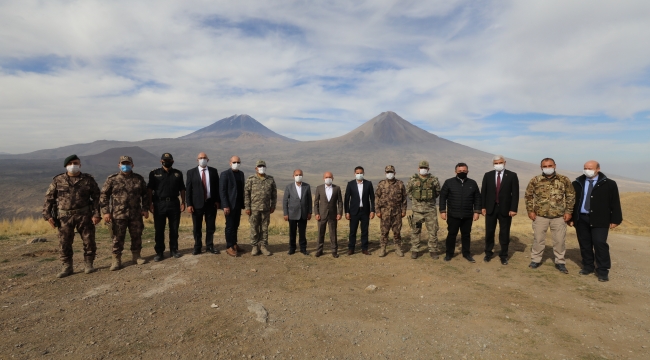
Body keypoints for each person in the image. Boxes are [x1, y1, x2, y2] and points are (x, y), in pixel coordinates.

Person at [42, 155, 101, 278]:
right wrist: (47, 216)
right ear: (66, 166)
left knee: (89, 240)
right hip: (64, 217)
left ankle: (89, 264)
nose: (73, 165)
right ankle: (67, 267)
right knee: (64, 242)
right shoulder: (58, 180)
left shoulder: (88, 180)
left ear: (80, 165)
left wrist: (96, 214)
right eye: (70, 163)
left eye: (76, 163)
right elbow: (49, 198)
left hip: (84, 215)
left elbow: (96, 197)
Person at [569, 160, 622, 282]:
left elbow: (615, 202)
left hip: (600, 219)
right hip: (581, 218)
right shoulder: (577, 183)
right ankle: (588, 266)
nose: (587, 170)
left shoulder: (609, 184)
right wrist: (571, 218)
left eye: (590, 168)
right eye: (585, 168)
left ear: (598, 169)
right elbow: (572, 202)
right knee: (585, 243)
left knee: (600, 243)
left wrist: (616, 219)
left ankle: (603, 270)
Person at [525, 158, 576, 273]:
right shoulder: (535, 180)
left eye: (550, 165)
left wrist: (569, 211)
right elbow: (528, 196)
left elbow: (570, 196)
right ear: (541, 167)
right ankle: (536, 260)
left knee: (559, 240)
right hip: (540, 216)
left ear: (555, 166)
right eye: (545, 166)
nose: (548, 168)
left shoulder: (563, 180)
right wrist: (530, 211)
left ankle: (560, 262)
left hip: (559, 216)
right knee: (538, 239)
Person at [100, 155, 151, 270]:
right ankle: (116, 260)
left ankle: (136, 256)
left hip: (135, 214)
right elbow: (104, 196)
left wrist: (145, 209)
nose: (125, 166)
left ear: (132, 165)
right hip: (118, 215)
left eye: (128, 164)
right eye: (123, 164)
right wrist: (106, 212)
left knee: (137, 235)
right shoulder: (112, 179)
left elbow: (145, 195)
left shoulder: (138, 179)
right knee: (117, 238)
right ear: (119, 165)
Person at [480, 155, 519, 265]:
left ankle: (503, 255)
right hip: (490, 209)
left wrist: (513, 208)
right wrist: (483, 207)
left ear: (504, 162)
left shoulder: (512, 175)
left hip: (505, 210)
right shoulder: (488, 175)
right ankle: (488, 253)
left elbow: (515, 194)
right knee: (489, 232)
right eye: (496, 163)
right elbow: (484, 192)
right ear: (493, 164)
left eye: (500, 163)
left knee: (504, 232)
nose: (498, 165)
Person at [439, 163, 481, 262]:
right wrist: (442, 211)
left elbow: (477, 198)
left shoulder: (472, 183)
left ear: (467, 171)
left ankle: (466, 254)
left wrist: (477, 211)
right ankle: (449, 254)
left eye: (464, 171)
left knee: (466, 235)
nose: (462, 172)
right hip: (453, 214)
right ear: (455, 172)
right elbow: (443, 197)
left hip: (467, 215)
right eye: (460, 171)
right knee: (451, 234)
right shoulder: (449, 182)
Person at [148, 153, 186, 262]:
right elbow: (150, 189)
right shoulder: (154, 173)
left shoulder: (177, 173)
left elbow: (182, 189)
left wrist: (183, 202)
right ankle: (159, 252)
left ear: (172, 161)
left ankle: (174, 250)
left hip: (174, 203)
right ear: (161, 161)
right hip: (159, 204)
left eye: (168, 160)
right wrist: (150, 204)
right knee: (159, 229)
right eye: (164, 160)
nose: (166, 161)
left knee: (174, 229)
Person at [186, 152, 221, 255]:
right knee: (197, 227)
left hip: (210, 203)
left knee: (210, 226)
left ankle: (210, 246)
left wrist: (217, 201)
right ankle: (197, 246)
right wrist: (189, 204)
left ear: (208, 160)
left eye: (204, 158)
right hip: (197, 204)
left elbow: (217, 187)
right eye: (200, 158)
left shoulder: (213, 171)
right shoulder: (191, 172)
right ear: (197, 160)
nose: (202, 159)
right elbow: (188, 190)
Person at [406, 160, 442, 259]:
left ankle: (433, 250)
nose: (423, 169)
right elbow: (408, 192)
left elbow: (437, 192)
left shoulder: (434, 180)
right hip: (417, 211)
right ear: (418, 169)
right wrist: (415, 201)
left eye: (425, 168)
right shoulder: (412, 180)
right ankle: (415, 250)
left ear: (428, 169)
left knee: (433, 231)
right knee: (415, 230)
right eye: (421, 168)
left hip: (430, 210)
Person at [245, 160, 277, 256]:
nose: (261, 167)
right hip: (254, 209)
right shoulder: (251, 179)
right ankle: (255, 246)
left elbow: (274, 194)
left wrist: (273, 206)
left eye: (263, 166)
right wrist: (247, 207)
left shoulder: (270, 179)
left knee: (264, 228)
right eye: (259, 166)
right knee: (254, 228)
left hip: (266, 209)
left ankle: (263, 246)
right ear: (256, 168)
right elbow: (247, 194)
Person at [375, 165, 407, 257]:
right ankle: (383, 248)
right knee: (384, 232)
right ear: (385, 173)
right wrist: (377, 210)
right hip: (384, 212)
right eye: (388, 172)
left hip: (397, 211)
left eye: (391, 172)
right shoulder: (381, 184)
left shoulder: (400, 184)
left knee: (397, 231)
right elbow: (377, 197)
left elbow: (404, 198)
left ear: (394, 173)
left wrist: (403, 210)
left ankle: (397, 248)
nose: (389, 174)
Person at [344, 166, 375, 255]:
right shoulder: (350, 184)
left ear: (363, 173)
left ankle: (364, 248)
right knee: (352, 231)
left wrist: (372, 210)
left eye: (361, 173)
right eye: (357, 173)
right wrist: (347, 212)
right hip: (354, 211)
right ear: (354, 174)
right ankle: (351, 248)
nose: (359, 175)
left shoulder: (368, 184)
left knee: (364, 230)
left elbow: (372, 198)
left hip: (365, 211)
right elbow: (346, 199)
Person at [220, 155, 245, 257]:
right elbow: (222, 191)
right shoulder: (225, 174)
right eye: (234, 162)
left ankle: (234, 244)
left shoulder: (241, 174)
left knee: (236, 225)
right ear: (230, 163)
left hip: (238, 205)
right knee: (230, 226)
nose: (236, 164)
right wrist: (225, 205)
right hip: (229, 205)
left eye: (238, 162)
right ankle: (229, 246)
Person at [313, 171, 343, 257]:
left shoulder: (337, 188)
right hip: (321, 215)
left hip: (333, 215)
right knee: (320, 233)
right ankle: (319, 250)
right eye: (326, 177)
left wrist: (339, 213)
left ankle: (334, 251)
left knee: (333, 233)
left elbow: (340, 202)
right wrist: (316, 213)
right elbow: (316, 203)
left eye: (330, 177)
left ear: (333, 178)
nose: (328, 179)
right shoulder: (319, 188)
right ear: (323, 178)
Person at [283, 169, 312, 255]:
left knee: (302, 232)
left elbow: (309, 200)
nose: (298, 176)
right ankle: (292, 248)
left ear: (302, 176)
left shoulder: (307, 186)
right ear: (293, 176)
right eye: (296, 175)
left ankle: (303, 248)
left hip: (303, 213)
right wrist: (285, 213)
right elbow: (285, 201)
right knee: (292, 232)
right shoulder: (289, 187)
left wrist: (309, 212)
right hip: (292, 213)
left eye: (300, 175)